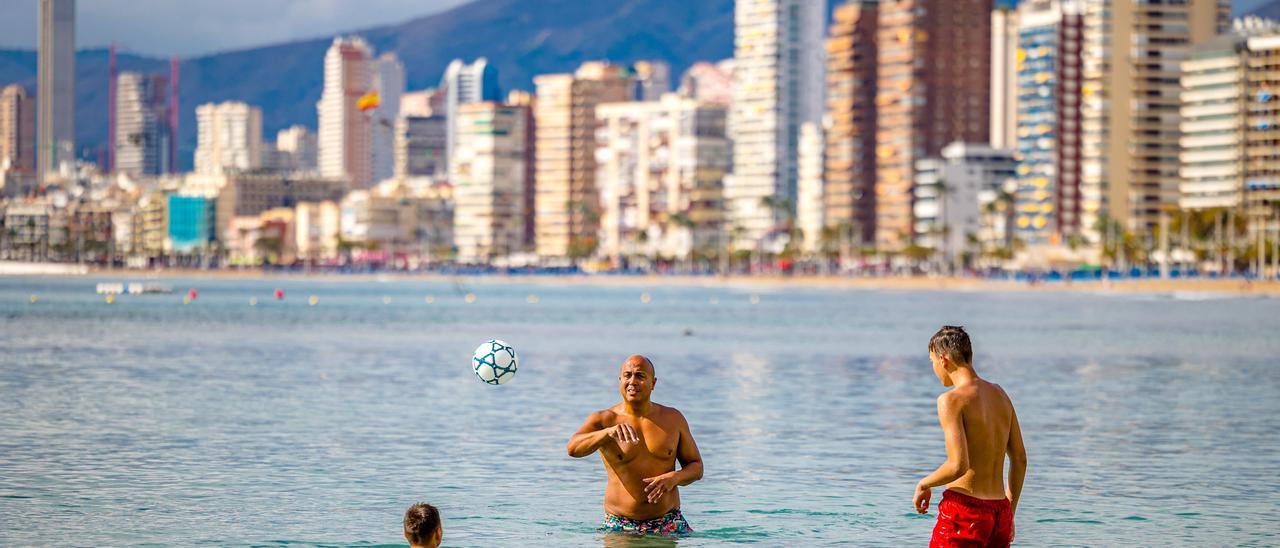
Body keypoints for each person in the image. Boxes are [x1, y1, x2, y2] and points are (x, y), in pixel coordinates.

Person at [914, 326, 1028, 547]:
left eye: (932, 362)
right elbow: (1020, 459)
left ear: (944, 360)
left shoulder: (951, 401)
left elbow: (958, 465)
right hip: (999, 513)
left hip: (964, 513)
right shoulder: (1001, 395)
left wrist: (924, 484)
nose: (934, 369)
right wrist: (1009, 513)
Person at [567, 355, 704, 537]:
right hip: (619, 526)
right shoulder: (604, 419)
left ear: (653, 383)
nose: (632, 381)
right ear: (620, 380)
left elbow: (696, 467)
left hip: (668, 523)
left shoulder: (673, 419)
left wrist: (675, 478)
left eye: (640, 375)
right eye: (627, 375)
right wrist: (607, 433)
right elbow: (573, 448)